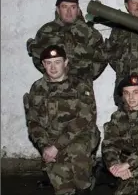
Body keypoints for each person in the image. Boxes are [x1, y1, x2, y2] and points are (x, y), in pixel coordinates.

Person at [24, 45, 100, 195]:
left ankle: (84, 185)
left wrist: (56, 147)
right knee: (63, 186)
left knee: (76, 154)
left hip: (80, 136)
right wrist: (45, 146)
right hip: (51, 140)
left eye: (57, 62)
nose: (53, 67)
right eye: (48, 62)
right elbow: (33, 122)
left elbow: (84, 120)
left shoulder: (80, 86)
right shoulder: (37, 88)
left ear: (66, 63)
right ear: (43, 65)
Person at [26, 0, 106, 82]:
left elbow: (101, 59)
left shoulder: (90, 33)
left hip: (82, 88)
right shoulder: (46, 31)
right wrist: (55, 74)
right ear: (57, 9)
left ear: (78, 10)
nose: (69, 12)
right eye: (64, 7)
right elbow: (37, 57)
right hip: (53, 87)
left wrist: (82, 76)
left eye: (73, 7)